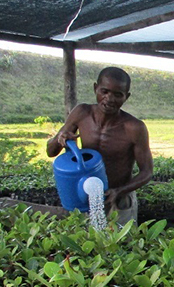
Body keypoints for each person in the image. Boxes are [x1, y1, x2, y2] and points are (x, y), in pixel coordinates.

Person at [46, 66, 153, 225]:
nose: (109, 99)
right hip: (85, 195)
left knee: (123, 244)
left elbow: (147, 172)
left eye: (118, 95)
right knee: (86, 243)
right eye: (105, 91)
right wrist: (60, 139)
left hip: (119, 197)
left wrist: (118, 191)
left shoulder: (134, 128)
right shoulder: (82, 113)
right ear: (95, 88)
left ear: (126, 97)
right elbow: (51, 151)